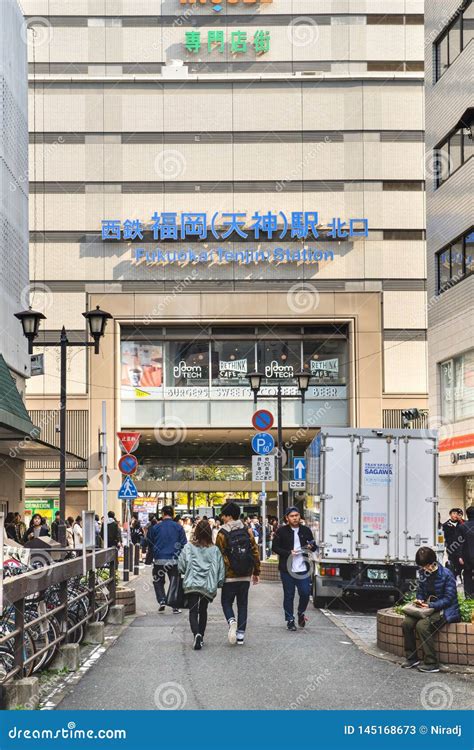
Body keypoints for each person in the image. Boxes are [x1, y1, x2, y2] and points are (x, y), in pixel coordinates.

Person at [401, 546, 460, 673]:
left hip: (444, 610)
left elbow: (449, 599)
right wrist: (420, 600)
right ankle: (412, 658)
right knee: (407, 623)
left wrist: (431, 606)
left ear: (433, 562)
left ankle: (432, 662)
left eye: (425, 566)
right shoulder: (423, 573)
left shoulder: (447, 574)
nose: (423, 569)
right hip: (426, 608)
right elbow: (421, 591)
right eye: (421, 566)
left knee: (422, 626)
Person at [216, 501, 260, 646]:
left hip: (230, 575)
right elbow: (254, 550)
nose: (222, 517)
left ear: (228, 516)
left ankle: (231, 621)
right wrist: (256, 571)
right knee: (243, 604)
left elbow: (218, 555)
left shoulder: (222, 533)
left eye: (223, 515)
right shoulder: (246, 529)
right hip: (245, 574)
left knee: (226, 602)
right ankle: (240, 635)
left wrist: (219, 574)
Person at [178, 519, 225, 651]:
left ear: (196, 532)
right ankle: (201, 636)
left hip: (192, 584)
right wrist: (220, 582)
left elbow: (181, 565)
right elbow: (220, 568)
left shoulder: (189, 547)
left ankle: (196, 634)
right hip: (207, 585)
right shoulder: (214, 550)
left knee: (193, 610)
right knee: (203, 610)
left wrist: (183, 572)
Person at [272, 506, 317, 631]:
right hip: (287, 569)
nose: (295, 518)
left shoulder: (306, 530)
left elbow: (314, 547)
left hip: (303, 568)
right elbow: (274, 548)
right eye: (292, 516)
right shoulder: (281, 531)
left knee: (305, 592)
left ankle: (301, 613)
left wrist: (310, 546)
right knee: (289, 595)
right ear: (287, 518)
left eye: (296, 515)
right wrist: (288, 552)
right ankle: (290, 620)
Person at [147, 506, 187, 613]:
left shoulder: (155, 527)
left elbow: (149, 543)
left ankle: (162, 600)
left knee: (158, 581)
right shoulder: (178, 527)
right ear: (172, 513)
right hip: (174, 560)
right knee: (175, 582)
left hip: (159, 559)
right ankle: (175, 606)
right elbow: (184, 544)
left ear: (162, 513)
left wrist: (151, 557)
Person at [442, 508, 464, 577]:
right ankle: (453, 576)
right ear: (450, 514)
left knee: (460, 563)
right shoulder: (445, 525)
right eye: (454, 513)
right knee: (451, 562)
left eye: (457, 514)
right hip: (451, 548)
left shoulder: (461, 523)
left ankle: (459, 575)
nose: (455, 515)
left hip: (461, 547)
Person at [458, 505, 474, 598]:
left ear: (467, 515)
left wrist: (460, 556)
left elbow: (459, 543)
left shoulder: (462, 526)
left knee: (467, 574)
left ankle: (468, 596)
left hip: (467, 555)